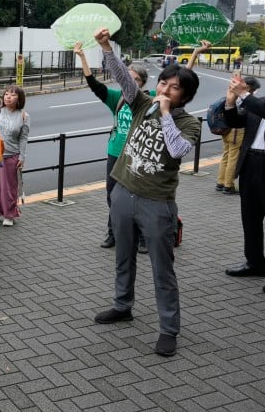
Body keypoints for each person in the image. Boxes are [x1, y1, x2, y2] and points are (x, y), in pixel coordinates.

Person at [91, 27, 201, 358]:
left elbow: (178, 148)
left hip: (157, 203)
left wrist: (166, 113)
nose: (165, 88)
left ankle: (169, 328)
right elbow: (125, 79)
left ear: (185, 96)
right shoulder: (141, 104)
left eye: (174, 87)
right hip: (124, 191)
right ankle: (122, 304)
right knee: (122, 255)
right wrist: (107, 47)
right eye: (163, 83)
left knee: (161, 267)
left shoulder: (189, 123)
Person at [75, 42, 153, 250]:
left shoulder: (149, 100)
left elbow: (177, 89)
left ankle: (144, 237)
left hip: (139, 156)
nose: (130, 82)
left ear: (143, 84)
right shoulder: (117, 98)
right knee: (113, 197)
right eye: (128, 78)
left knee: (141, 197)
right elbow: (93, 84)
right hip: (115, 153)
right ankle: (113, 233)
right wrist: (82, 57)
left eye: (135, 79)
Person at [223, 61, 265, 295]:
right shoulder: (263, 99)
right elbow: (237, 121)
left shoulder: (264, 103)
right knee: (250, 218)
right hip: (251, 164)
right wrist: (230, 100)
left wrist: (245, 94)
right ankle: (255, 263)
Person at [0, 85, 29, 227]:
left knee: (9, 188)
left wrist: (22, 157)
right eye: (6, 94)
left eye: (12, 95)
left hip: (11, 155)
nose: (8, 97)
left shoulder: (23, 116)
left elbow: (23, 138)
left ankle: (9, 214)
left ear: (19, 99)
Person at [216, 76, 260, 195]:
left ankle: (220, 182)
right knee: (233, 158)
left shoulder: (233, 94)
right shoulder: (246, 99)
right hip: (237, 132)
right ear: (249, 88)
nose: (256, 92)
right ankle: (229, 185)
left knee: (226, 155)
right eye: (255, 89)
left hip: (226, 130)